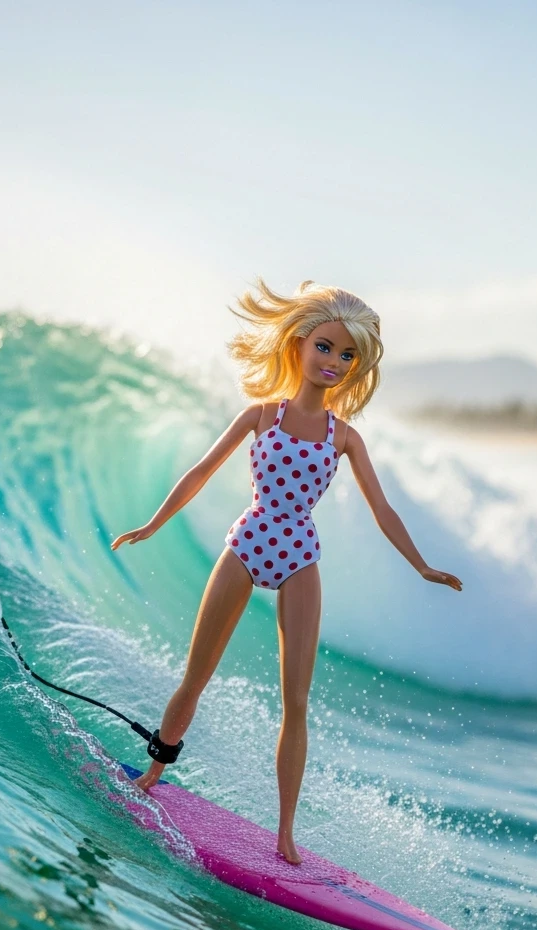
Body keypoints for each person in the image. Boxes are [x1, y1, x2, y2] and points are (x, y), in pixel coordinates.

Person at [112, 278, 462, 864]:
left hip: (300, 555)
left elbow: (383, 509)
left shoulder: (344, 437)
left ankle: (284, 835)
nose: (334, 362)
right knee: (196, 676)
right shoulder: (260, 416)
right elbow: (201, 471)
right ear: (298, 344)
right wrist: (153, 524)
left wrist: (422, 565)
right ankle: (153, 774)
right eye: (325, 347)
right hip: (248, 544)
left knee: (295, 701)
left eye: (348, 355)